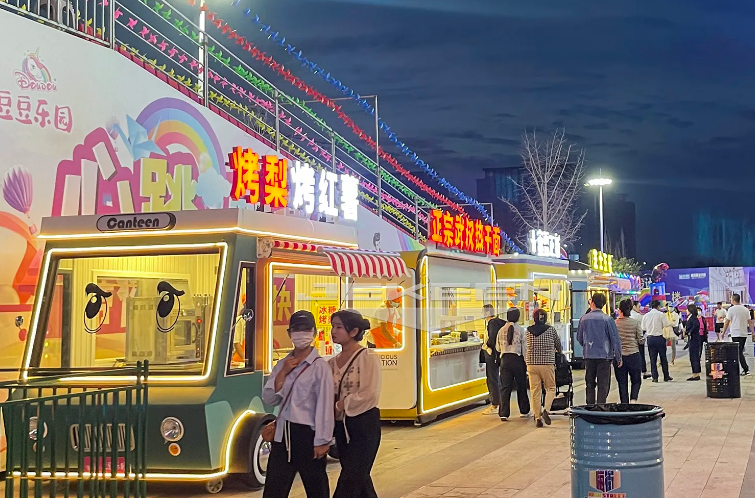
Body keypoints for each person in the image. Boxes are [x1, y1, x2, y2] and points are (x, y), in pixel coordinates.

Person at [262, 310, 334, 498]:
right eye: (296, 329)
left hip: (308, 435)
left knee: (316, 488)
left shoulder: (320, 367)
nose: (301, 333)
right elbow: (269, 398)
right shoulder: (283, 364)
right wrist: (283, 373)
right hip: (282, 434)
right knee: (274, 489)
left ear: (314, 333)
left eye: (306, 328)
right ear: (289, 333)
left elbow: (325, 407)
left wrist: (322, 440)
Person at [329, 310, 382, 498]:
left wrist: (340, 405)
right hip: (341, 428)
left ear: (353, 331)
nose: (333, 331)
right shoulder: (331, 363)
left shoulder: (367, 357)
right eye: (332, 326)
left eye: (339, 327)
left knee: (350, 479)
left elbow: (370, 394)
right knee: (361, 480)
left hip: (364, 426)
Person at [577, 293, 623, 405]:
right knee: (603, 384)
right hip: (605, 356)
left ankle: (590, 406)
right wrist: (618, 356)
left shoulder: (583, 319)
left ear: (592, 302)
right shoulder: (608, 319)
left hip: (589, 355)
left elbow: (579, 338)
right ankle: (600, 406)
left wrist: (587, 346)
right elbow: (615, 339)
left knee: (590, 383)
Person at [525, 309, 562, 428]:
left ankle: (537, 417)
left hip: (532, 364)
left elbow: (525, 345)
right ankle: (546, 409)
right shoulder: (551, 330)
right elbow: (558, 345)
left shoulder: (528, 331)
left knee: (535, 391)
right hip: (547, 363)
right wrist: (558, 352)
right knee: (550, 388)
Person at [496, 308, 530, 421]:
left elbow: (497, 347)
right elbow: (525, 348)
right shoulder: (521, 330)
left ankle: (503, 413)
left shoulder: (501, 330)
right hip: (517, 359)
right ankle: (524, 411)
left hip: (505, 360)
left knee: (505, 387)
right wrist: (526, 362)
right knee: (521, 385)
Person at [614, 299, 644, 403]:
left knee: (622, 382)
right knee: (636, 380)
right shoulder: (635, 323)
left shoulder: (614, 323)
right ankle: (633, 400)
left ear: (619, 310)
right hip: (633, 355)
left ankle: (624, 403)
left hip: (619, 356)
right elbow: (641, 339)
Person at [482, 304, 506, 415]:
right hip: (499, 354)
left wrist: (487, 345)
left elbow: (492, 338)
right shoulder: (499, 322)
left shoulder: (491, 323)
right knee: (497, 378)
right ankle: (499, 402)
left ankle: (495, 403)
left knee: (492, 379)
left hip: (491, 354)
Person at [642, 300, 673, 382]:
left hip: (650, 339)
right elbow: (666, 324)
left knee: (653, 359)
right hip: (659, 338)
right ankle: (666, 376)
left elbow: (643, 328)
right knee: (663, 358)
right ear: (658, 306)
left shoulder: (646, 316)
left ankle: (655, 377)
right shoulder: (661, 314)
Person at [723, 293, 750, 376]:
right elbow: (750, 322)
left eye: (731, 299)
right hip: (743, 333)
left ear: (734, 300)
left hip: (735, 333)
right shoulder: (745, 309)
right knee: (739, 351)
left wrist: (723, 332)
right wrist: (752, 332)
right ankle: (741, 369)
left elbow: (727, 322)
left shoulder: (731, 309)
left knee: (737, 352)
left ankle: (745, 369)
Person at [631, 301, 649, 380]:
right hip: (638, 338)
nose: (640, 308)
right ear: (634, 306)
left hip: (631, 340)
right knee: (641, 355)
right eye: (639, 306)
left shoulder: (630, 315)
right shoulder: (638, 316)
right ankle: (643, 371)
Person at [685, 305, 703, 381]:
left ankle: (695, 374)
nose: (686, 311)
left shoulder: (693, 318)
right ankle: (695, 373)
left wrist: (689, 332)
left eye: (687, 309)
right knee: (693, 356)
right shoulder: (691, 318)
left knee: (694, 356)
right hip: (692, 339)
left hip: (694, 339)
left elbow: (696, 326)